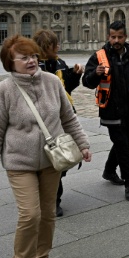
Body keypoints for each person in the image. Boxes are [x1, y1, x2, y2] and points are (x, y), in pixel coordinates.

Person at [0, 35, 92, 258]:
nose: (31, 61)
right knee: (30, 215)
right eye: (24, 57)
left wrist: (83, 144)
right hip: (20, 163)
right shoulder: (4, 90)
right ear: (11, 62)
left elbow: (68, 117)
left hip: (52, 161)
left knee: (48, 213)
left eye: (33, 56)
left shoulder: (53, 82)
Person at [82, 20, 129, 201]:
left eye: (119, 37)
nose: (116, 40)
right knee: (123, 146)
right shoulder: (99, 57)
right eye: (113, 37)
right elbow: (87, 82)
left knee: (126, 141)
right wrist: (95, 74)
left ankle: (108, 170)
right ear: (108, 36)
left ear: (125, 37)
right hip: (111, 111)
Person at [33, 29, 84, 217]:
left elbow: (67, 87)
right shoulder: (35, 67)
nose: (59, 47)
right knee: (47, 161)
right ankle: (53, 200)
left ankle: (53, 196)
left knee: (60, 160)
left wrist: (75, 74)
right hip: (43, 120)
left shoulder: (60, 63)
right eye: (55, 45)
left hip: (63, 116)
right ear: (47, 48)